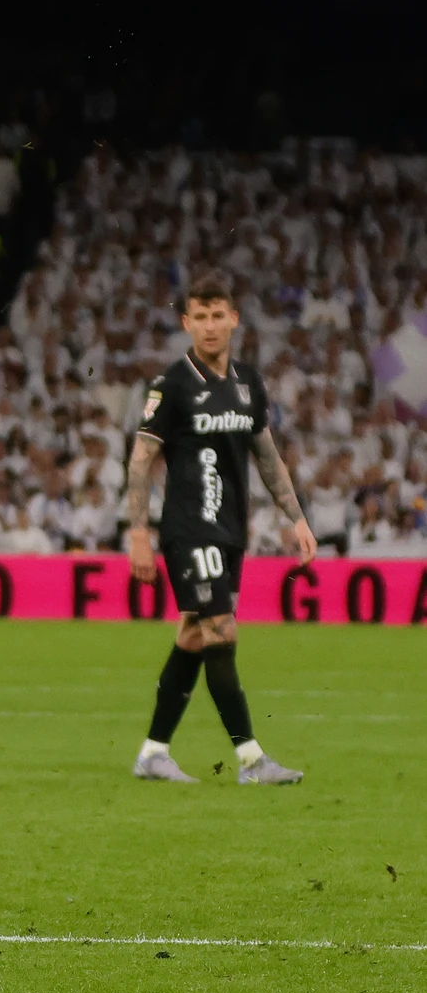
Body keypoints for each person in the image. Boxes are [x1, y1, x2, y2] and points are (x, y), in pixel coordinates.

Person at [127, 269, 316, 786]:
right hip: (190, 529)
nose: (210, 327)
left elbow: (267, 455)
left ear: (233, 319)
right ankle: (252, 760)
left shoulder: (248, 383)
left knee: (193, 633)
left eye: (218, 316)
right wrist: (138, 532)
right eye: (200, 318)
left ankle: (153, 753)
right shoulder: (172, 385)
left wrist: (296, 517)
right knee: (221, 629)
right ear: (186, 323)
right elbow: (142, 459)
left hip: (231, 531)